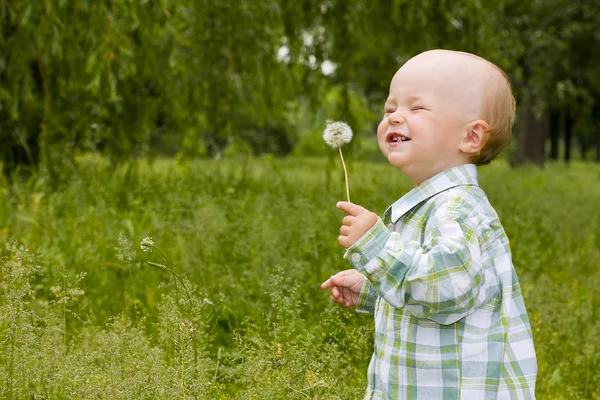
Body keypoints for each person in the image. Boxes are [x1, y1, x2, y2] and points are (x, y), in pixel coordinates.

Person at [321, 49, 537, 399]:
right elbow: (434, 290)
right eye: (390, 109)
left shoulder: (459, 209)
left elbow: (446, 288)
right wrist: (374, 289)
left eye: (416, 108)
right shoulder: (433, 205)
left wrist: (377, 246)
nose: (394, 117)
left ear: (470, 137)